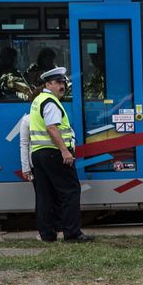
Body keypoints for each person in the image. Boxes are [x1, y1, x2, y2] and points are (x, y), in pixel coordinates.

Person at [29, 67, 92, 243]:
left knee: (45, 194)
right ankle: (72, 233)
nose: (62, 86)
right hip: (54, 154)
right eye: (58, 83)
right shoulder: (50, 102)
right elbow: (51, 127)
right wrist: (65, 151)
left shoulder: (38, 100)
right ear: (48, 84)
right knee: (71, 191)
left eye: (63, 82)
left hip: (39, 155)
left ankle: (47, 234)